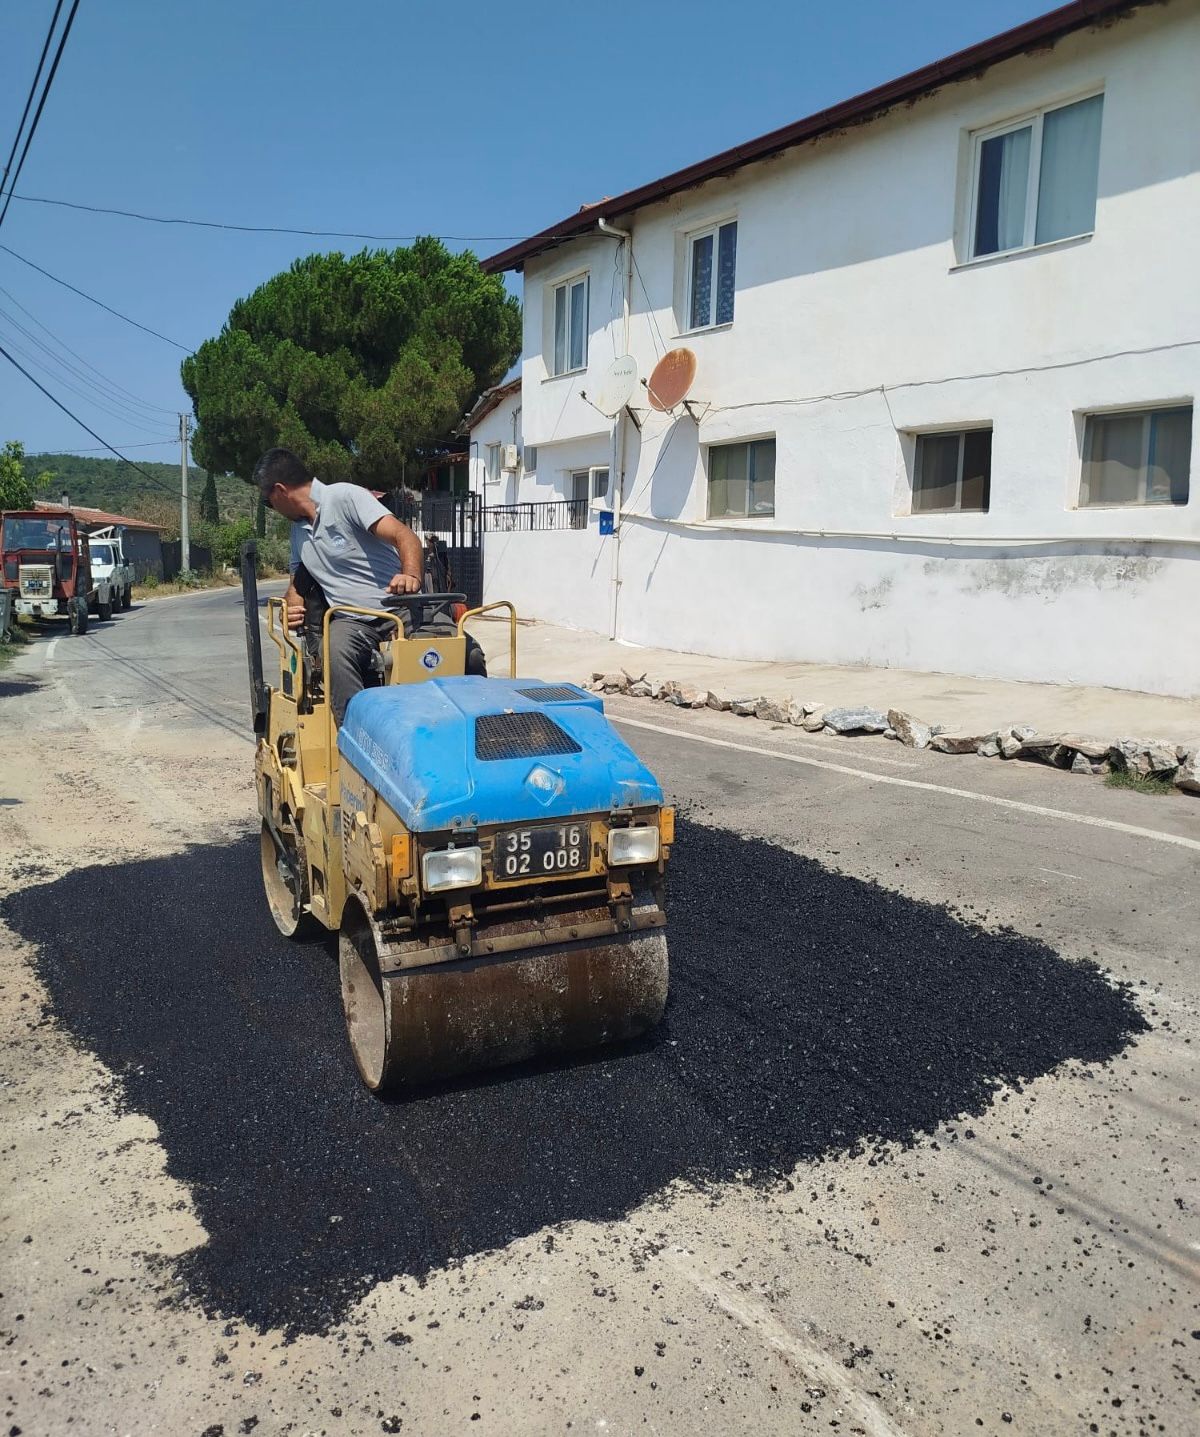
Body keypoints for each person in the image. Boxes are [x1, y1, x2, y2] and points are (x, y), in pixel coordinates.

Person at [254, 447, 425, 725]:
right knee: (334, 651)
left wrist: (411, 576)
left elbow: (404, 536)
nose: (270, 509)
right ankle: (356, 737)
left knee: (456, 653)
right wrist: (291, 604)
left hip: (399, 610)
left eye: (267, 502)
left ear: (280, 490)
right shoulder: (298, 532)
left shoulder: (345, 497)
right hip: (352, 621)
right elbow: (299, 579)